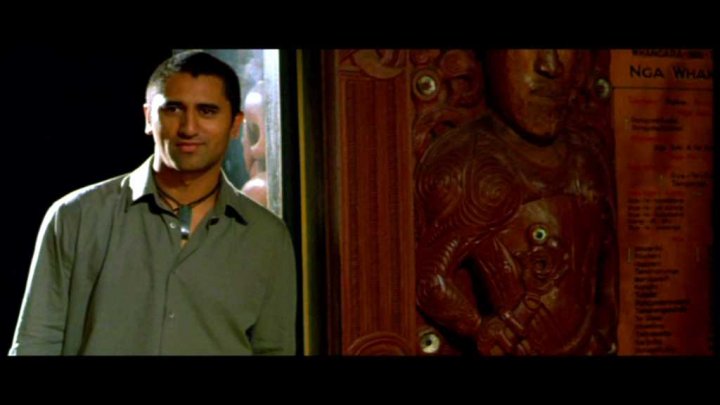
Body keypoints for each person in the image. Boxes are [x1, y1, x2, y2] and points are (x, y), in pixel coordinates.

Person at [9, 50, 296, 355]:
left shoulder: (266, 237)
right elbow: (35, 344)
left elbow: (273, 349)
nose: (189, 127)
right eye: (173, 109)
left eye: (207, 111)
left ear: (235, 124)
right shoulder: (76, 216)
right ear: (149, 117)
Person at [415, 49, 618, 355]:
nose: (550, 65)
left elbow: (607, 260)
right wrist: (479, 327)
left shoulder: (586, 159)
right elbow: (431, 278)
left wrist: (602, 328)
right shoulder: (476, 166)